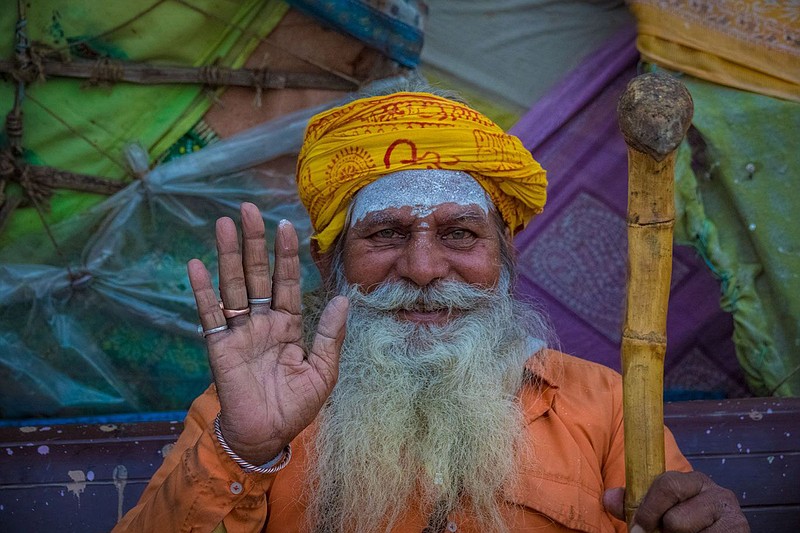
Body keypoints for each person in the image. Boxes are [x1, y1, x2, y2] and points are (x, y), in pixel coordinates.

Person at [115, 89, 748, 532]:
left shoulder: (606, 405)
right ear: (331, 264)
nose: (421, 270)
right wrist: (246, 453)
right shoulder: (251, 412)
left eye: (460, 235)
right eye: (385, 235)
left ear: (505, 256)